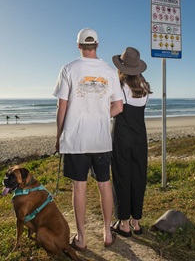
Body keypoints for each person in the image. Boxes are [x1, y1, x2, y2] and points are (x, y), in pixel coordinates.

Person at [53, 28, 124, 250]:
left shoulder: (68, 69)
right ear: (97, 45)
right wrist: (102, 115)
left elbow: (62, 106)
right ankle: (107, 234)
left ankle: (82, 239)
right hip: (101, 139)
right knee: (105, 184)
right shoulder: (110, 71)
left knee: (79, 187)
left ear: (78, 46)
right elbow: (119, 107)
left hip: (76, 139)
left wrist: (58, 136)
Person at [110, 47, 152, 237]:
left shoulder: (119, 86)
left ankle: (124, 223)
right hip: (139, 137)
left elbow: (116, 110)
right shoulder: (145, 86)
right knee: (138, 177)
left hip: (121, 136)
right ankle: (136, 222)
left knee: (121, 177)